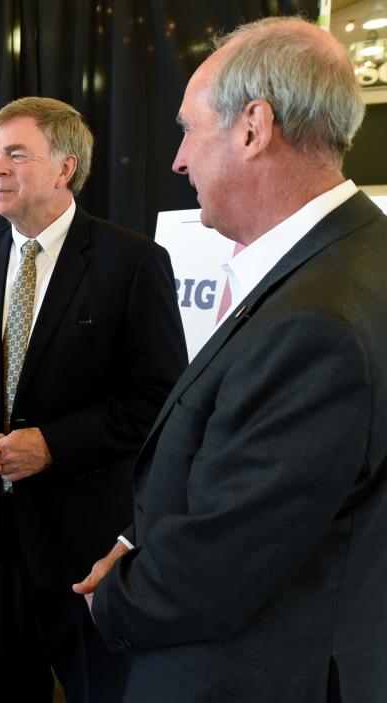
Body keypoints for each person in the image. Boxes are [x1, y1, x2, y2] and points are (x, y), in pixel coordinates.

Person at [74, 17, 387, 703]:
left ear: (253, 127)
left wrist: (111, 598)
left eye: (189, 129)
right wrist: (136, 541)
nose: (179, 160)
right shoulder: (350, 257)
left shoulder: (318, 319)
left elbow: (224, 559)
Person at [0, 96, 187, 703]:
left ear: (66, 167)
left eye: (16, 154)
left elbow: (160, 399)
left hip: (85, 543)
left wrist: (52, 445)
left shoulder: (133, 262)